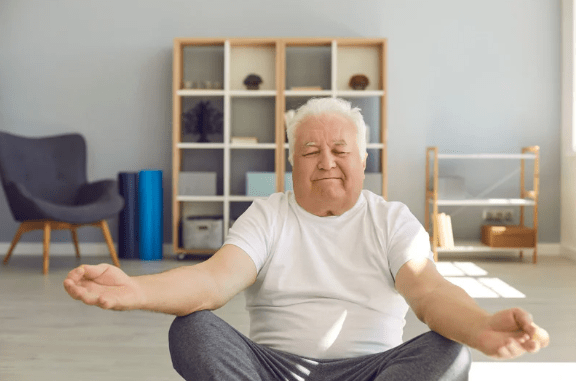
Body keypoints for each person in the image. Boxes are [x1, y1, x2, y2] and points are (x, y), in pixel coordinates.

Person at [64, 98, 549, 381]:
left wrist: (483, 325)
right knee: (193, 330)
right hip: (272, 371)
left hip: (372, 371)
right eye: (311, 150)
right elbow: (213, 280)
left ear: (363, 161)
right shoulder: (268, 214)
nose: (326, 161)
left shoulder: (392, 219)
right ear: (293, 163)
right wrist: (137, 290)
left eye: (340, 150)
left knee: (451, 351)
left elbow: (430, 293)